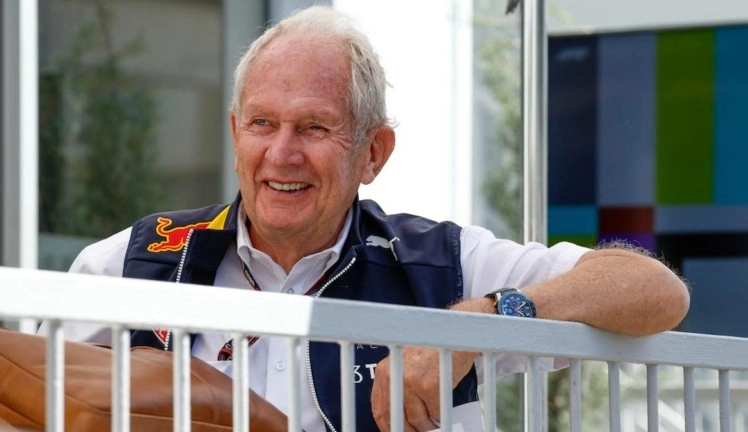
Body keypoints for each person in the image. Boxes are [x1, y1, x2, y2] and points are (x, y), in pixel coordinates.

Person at [48, 5, 690, 432]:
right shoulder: (133, 263)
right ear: (235, 133)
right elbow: (30, 403)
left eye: (314, 127)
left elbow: (656, 290)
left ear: (373, 153)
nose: (282, 154)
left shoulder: (441, 265)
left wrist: (477, 323)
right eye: (262, 123)